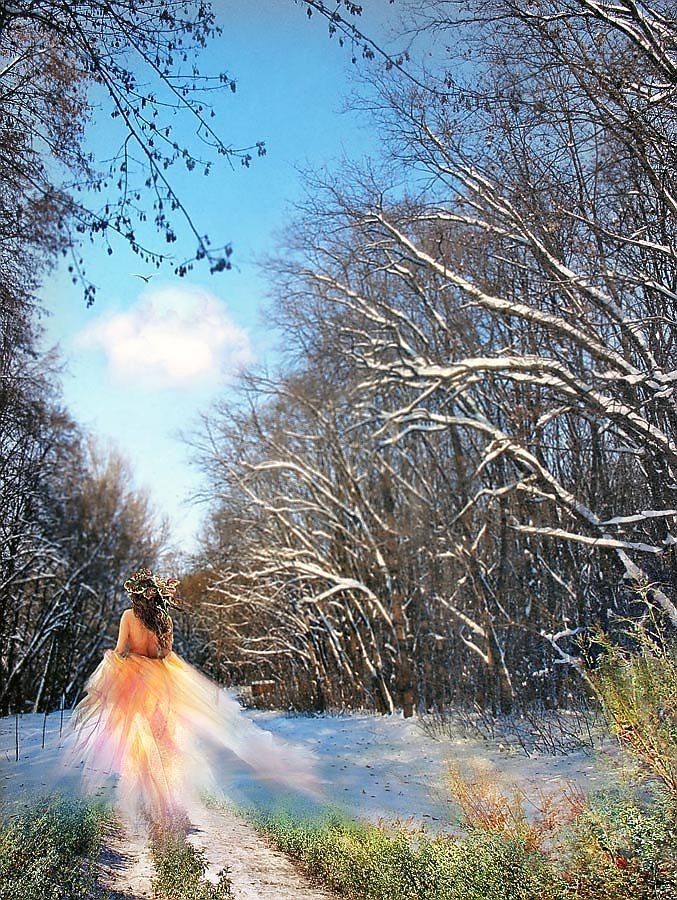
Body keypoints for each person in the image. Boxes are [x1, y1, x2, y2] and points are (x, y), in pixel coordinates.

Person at [66, 567, 320, 823]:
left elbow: (121, 649)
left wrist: (113, 662)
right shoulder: (164, 619)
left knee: (142, 744)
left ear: (136, 595)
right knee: (165, 740)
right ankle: (170, 802)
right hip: (162, 680)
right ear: (156, 594)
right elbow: (165, 652)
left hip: (137, 682)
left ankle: (152, 803)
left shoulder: (128, 616)